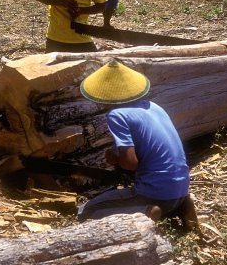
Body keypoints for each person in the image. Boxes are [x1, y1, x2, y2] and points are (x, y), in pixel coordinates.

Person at [77, 59, 193, 224]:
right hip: (180, 190)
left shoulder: (117, 115)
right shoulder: (154, 107)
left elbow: (130, 163)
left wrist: (116, 158)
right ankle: (182, 207)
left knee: (88, 211)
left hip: (155, 194)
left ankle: (145, 212)